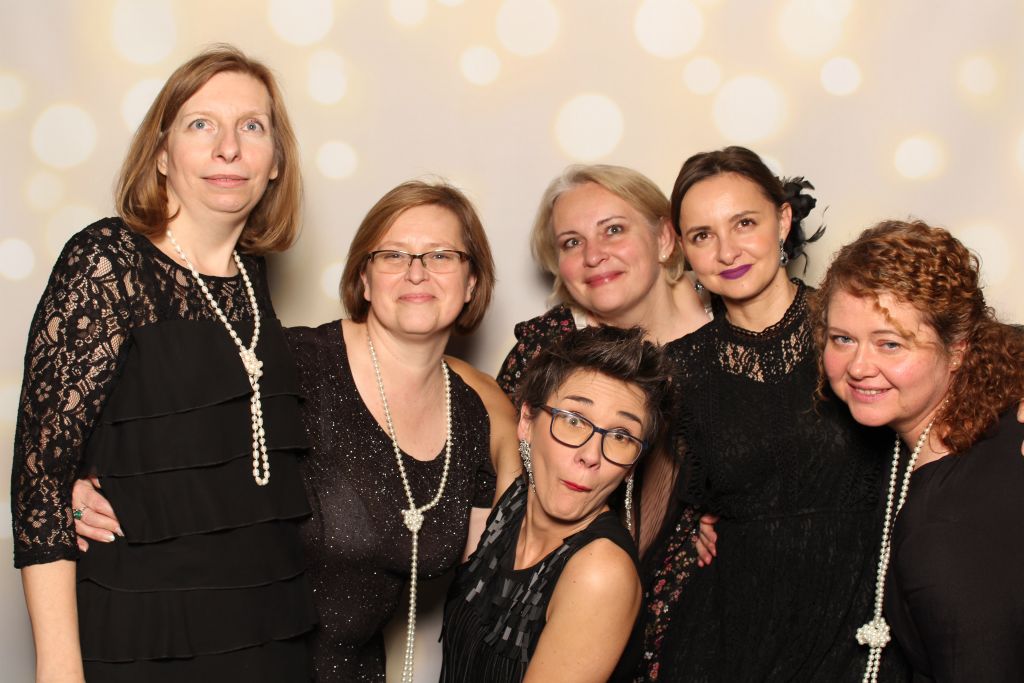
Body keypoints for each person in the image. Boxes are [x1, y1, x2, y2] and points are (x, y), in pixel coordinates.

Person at [72, 179, 519, 682]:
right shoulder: (289, 363)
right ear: (364, 279)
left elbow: (497, 581)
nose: (416, 272)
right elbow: (153, 426)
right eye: (393, 255)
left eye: (441, 255)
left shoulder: (473, 418)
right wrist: (79, 483)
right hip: (228, 666)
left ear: (472, 283)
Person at [11, 45, 317, 681]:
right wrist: (59, 669)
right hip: (142, 638)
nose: (228, 148)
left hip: (265, 634)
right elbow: (40, 481)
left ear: (274, 164)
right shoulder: (107, 261)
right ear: (160, 154)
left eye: (251, 126)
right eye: (201, 124)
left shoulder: (251, 281)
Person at [634, 146, 909, 682]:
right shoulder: (678, 370)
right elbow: (655, 513)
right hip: (733, 632)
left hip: (859, 617)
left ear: (782, 221)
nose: (727, 251)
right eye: (702, 235)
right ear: (683, 248)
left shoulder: (855, 332)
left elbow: (957, 364)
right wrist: (688, 528)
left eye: (744, 223)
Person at [814, 220, 1024, 683]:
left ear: (958, 350)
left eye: (890, 344)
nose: (859, 366)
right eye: (842, 339)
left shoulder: (945, 529)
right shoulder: (989, 409)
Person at [497, 164, 711, 554]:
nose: (593, 255)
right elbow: (498, 476)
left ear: (664, 238)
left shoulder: (732, 336)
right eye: (571, 242)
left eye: (613, 230)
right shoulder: (546, 345)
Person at [441, 325, 672, 682]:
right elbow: (477, 386)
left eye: (621, 436)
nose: (591, 455)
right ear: (527, 422)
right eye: (573, 420)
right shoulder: (511, 502)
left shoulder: (600, 574)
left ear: (632, 465)